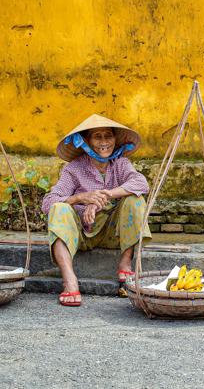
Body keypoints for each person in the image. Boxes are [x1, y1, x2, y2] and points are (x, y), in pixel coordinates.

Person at [42, 114, 152, 306]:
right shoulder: (74, 169)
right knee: (59, 208)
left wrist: (105, 196)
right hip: (81, 235)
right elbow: (48, 202)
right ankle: (70, 281)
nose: (104, 142)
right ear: (87, 141)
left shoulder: (120, 163)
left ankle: (125, 264)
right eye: (97, 136)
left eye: (108, 136)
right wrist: (80, 198)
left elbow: (141, 183)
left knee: (136, 199)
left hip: (113, 234)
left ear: (115, 140)